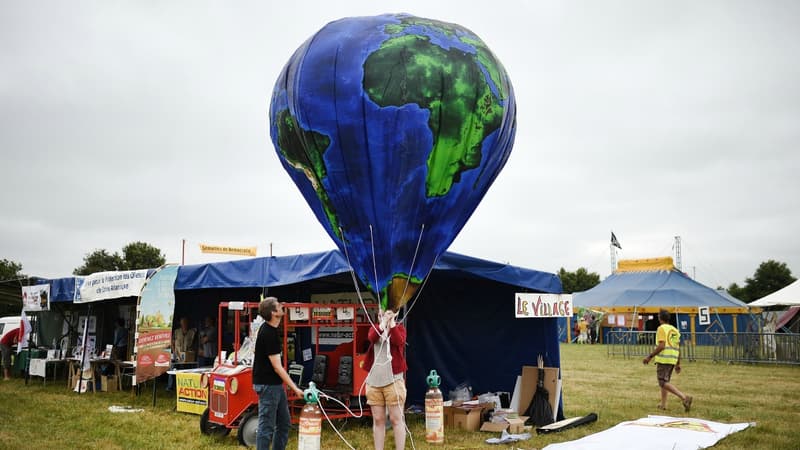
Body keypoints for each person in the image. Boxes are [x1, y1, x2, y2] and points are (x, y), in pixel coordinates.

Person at [252, 297, 303, 450]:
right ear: (274, 313)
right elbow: (278, 367)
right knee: (266, 427)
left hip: (274, 385)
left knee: (284, 423)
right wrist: (295, 388)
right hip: (268, 386)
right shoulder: (269, 333)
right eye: (279, 305)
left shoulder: (270, 330)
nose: (282, 305)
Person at [364, 309, 408, 450]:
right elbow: (371, 337)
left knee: (396, 419)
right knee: (378, 420)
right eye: (381, 314)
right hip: (374, 381)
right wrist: (383, 323)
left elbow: (399, 341)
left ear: (395, 315)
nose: (384, 316)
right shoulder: (375, 329)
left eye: (388, 314)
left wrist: (392, 323)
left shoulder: (399, 329)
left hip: (393, 381)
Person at [643, 309, 693, 412]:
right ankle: (663, 404)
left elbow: (661, 346)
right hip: (672, 359)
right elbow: (678, 348)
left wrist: (650, 356)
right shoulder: (675, 330)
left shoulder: (661, 329)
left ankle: (684, 397)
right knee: (666, 382)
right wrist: (678, 363)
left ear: (660, 318)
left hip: (664, 358)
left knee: (662, 382)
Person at [167, 317, 197, 391]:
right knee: (172, 370)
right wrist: (174, 351)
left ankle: (183, 387)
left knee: (185, 371)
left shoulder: (192, 332)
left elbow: (194, 344)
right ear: (180, 323)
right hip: (176, 354)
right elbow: (172, 341)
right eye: (183, 322)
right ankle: (170, 387)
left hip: (187, 356)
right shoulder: (177, 331)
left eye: (185, 322)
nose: (184, 324)